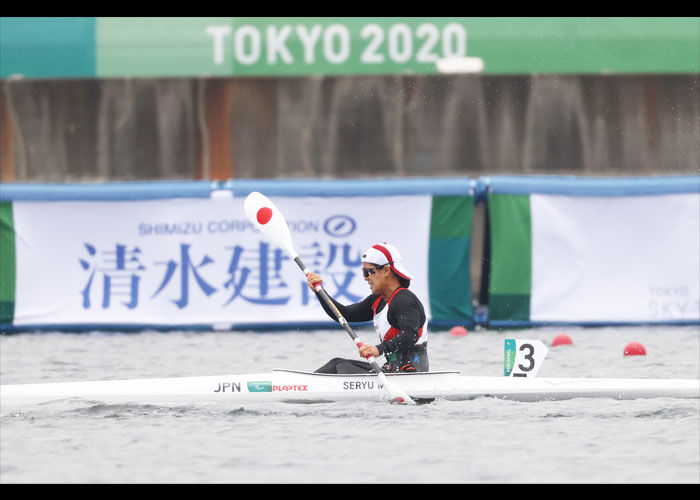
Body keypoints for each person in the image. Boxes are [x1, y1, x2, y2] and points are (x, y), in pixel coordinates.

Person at [308, 243, 429, 374]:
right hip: (392, 372)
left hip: (411, 375)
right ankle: (301, 388)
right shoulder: (377, 300)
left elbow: (411, 334)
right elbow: (344, 314)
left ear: (386, 270)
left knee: (342, 368)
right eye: (363, 272)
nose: (366, 278)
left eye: (369, 272)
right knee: (336, 363)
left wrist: (379, 349)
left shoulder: (404, 300)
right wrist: (320, 291)